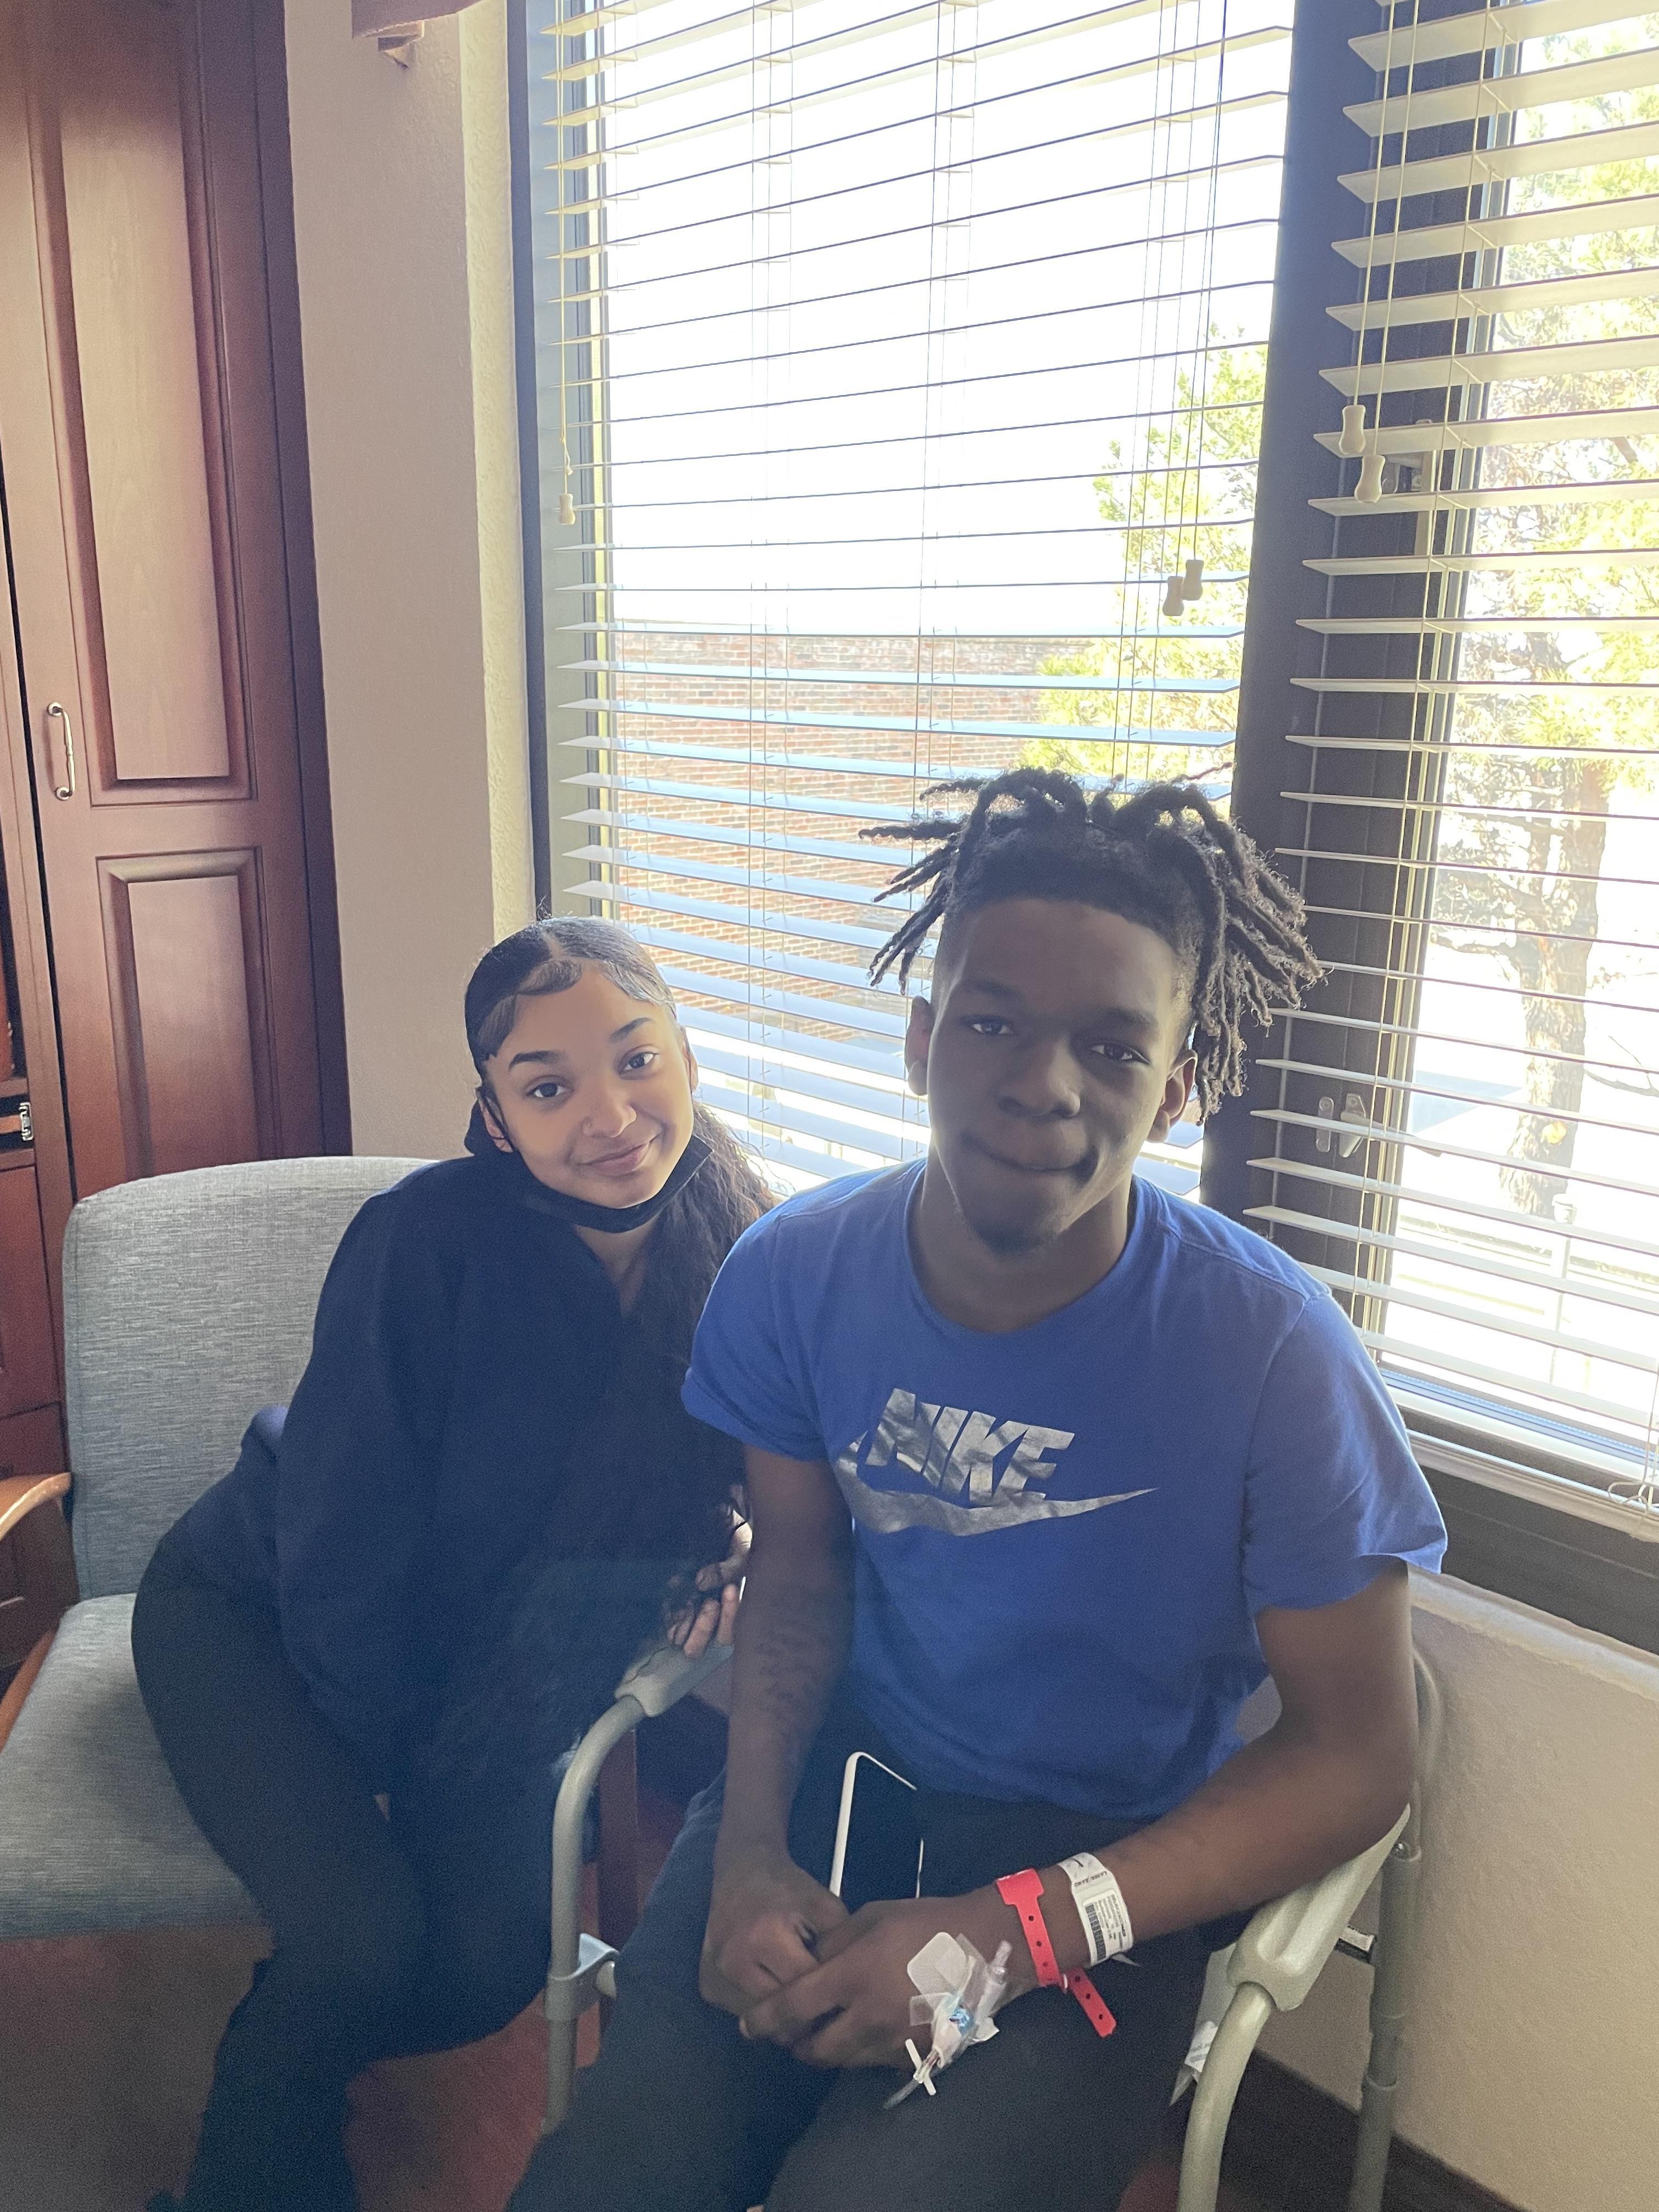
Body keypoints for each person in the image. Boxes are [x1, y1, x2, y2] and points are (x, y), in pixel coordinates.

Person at [510, 772, 1447, 2212]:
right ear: (919, 1036)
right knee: (625, 2177)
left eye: (1113, 1045)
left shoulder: (1270, 1357)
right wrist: (747, 1847)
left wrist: (1012, 1936)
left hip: (1096, 1880)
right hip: (835, 1801)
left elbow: (1359, 1751)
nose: (1040, 1085)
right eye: (993, 1020)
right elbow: (802, 1573)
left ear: (1180, 1085)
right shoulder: (795, 1277)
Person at [131, 918, 774, 2212]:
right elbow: (338, 1556)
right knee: (363, 1937)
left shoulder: (749, 1261)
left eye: (637, 1060)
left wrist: (734, 1537)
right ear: (495, 1114)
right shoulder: (421, 1243)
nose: (610, 1114)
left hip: (499, 1667)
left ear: (688, 1055)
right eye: (549, 1085)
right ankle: (254, 2162)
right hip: (252, 1616)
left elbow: (734, 1471)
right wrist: (378, 1775)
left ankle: (294, 2028)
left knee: (485, 1964)